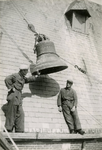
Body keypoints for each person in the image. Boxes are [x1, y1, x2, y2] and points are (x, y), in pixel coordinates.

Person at [2, 64, 40, 133]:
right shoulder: (15, 75)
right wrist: (10, 88)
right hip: (14, 95)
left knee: (20, 113)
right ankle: (8, 129)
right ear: (22, 70)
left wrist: (36, 76)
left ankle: (19, 130)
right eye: (26, 71)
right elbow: (7, 79)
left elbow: (28, 79)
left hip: (19, 95)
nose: (26, 72)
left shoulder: (22, 77)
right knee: (11, 112)